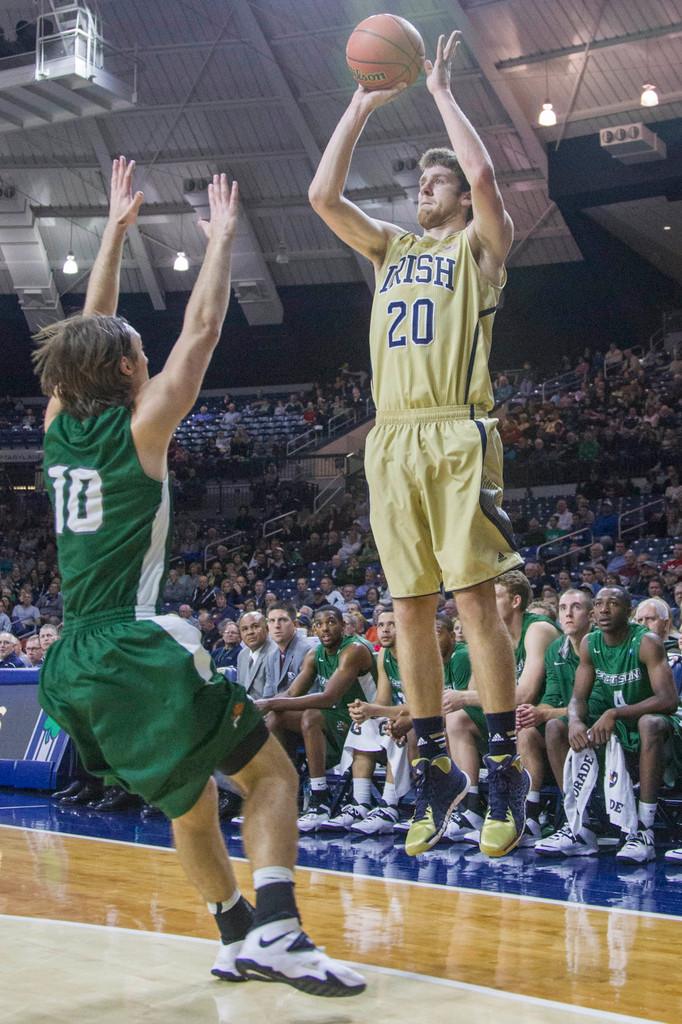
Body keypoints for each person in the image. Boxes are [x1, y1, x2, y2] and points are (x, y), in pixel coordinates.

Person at [33, 158, 363, 996]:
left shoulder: (56, 426)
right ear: (122, 374)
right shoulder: (141, 430)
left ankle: (233, 935)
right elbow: (205, 329)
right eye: (139, 352)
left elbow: (90, 331)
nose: (149, 356)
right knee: (272, 775)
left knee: (191, 802)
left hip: (71, 656)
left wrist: (112, 233)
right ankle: (282, 932)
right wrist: (220, 240)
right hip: (131, 643)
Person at [309, 31, 526, 859]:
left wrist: (438, 91)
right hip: (391, 440)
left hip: (457, 431)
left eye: (433, 181)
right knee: (408, 610)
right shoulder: (391, 249)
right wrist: (361, 104)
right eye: (420, 181)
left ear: (458, 201)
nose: (422, 188)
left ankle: (502, 762)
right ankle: (434, 764)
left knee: (472, 602)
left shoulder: (479, 250)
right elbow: (322, 195)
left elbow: (485, 178)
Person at [568, 587, 681, 864]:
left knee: (649, 724)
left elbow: (669, 700)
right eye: (599, 604)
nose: (604, 610)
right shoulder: (589, 644)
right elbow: (577, 699)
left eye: (613, 604)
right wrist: (574, 722)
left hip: (659, 725)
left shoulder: (647, 642)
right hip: (619, 724)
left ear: (628, 611)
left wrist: (615, 713)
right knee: (557, 727)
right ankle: (575, 828)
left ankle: (644, 830)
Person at [257, 606, 377, 832]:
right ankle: (283, 795)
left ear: (343, 626)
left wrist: (270, 703)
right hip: (338, 719)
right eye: (319, 624)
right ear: (313, 630)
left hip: (368, 720)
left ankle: (319, 800)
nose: (325, 628)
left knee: (311, 715)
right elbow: (292, 693)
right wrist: (261, 707)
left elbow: (327, 697)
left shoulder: (354, 650)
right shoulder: (314, 654)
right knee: (276, 717)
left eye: (331, 622)